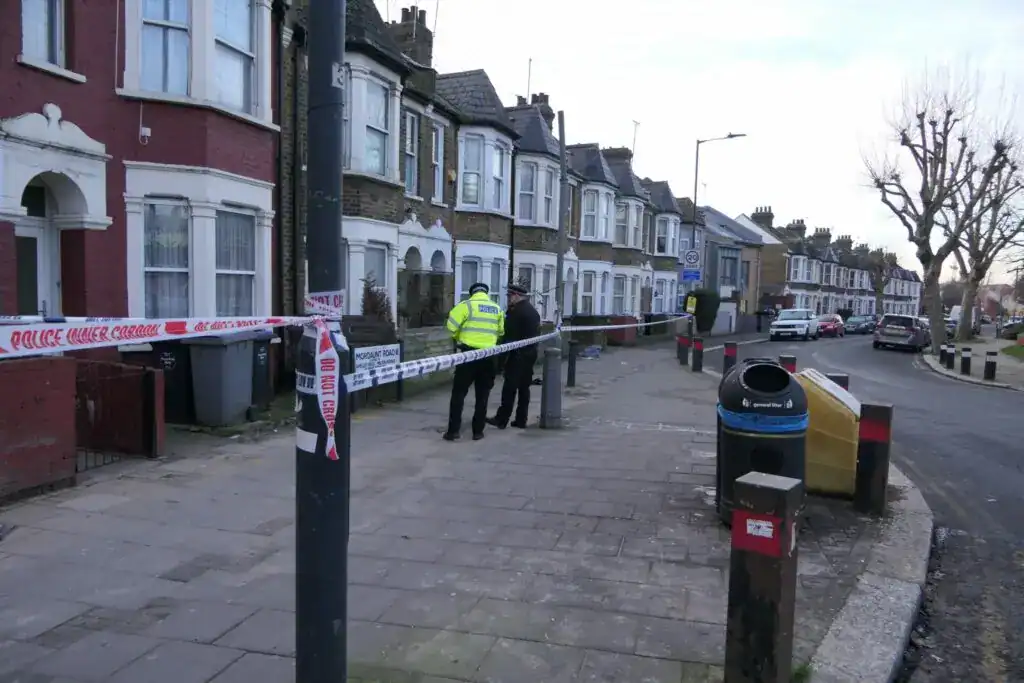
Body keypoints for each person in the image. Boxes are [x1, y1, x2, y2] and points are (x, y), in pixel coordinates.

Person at [443, 282, 504, 441]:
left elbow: (451, 326)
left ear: (472, 293)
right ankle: (478, 432)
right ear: (486, 293)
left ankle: (453, 431)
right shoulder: (496, 308)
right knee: (482, 396)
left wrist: (458, 337)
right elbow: (500, 332)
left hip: (468, 355)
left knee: (459, 394)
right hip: (489, 356)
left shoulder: (466, 306)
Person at [488, 282, 541, 429]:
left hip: (517, 355)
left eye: (510, 296)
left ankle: (502, 418)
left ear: (517, 296)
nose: (508, 299)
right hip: (530, 354)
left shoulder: (515, 312)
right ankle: (520, 419)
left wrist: (500, 362)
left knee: (509, 388)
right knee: (524, 388)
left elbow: (508, 337)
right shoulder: (533, 311)